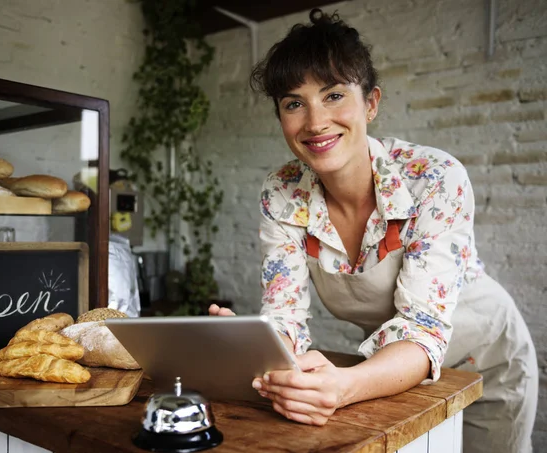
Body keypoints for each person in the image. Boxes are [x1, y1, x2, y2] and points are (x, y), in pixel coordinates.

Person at [209, 8, 538, 453]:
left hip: (487, 364)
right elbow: (285, 313)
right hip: (390, 371)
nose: (315, 122)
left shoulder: (435, 178)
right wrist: (260, 348)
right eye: (293, 103)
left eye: (333, 95)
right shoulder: (282, 192)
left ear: (371, 103)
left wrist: (343, 387)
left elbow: (421, 327)